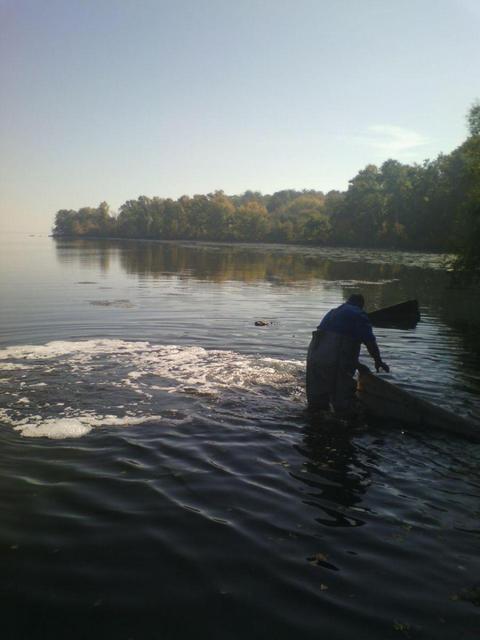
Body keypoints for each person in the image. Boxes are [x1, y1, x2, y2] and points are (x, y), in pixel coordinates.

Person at [306, 294, 389, 414]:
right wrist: (378, 361)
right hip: (335, 358)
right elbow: (369, 342)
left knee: (316, 400)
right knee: (342, 401)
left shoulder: (332, 312)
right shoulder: (359, 314)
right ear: (361, 305)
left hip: (314, 355)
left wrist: (357, 365)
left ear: (347, 302)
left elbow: (330, 347)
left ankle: (313, 420)